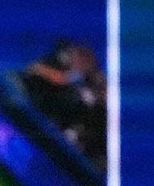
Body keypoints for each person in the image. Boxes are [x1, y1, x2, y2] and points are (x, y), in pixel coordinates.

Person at [24, 38, 106, 168]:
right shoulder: (71, 58)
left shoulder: (91, 76)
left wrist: (38, 68)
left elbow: (62, 79)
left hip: (80, 124)